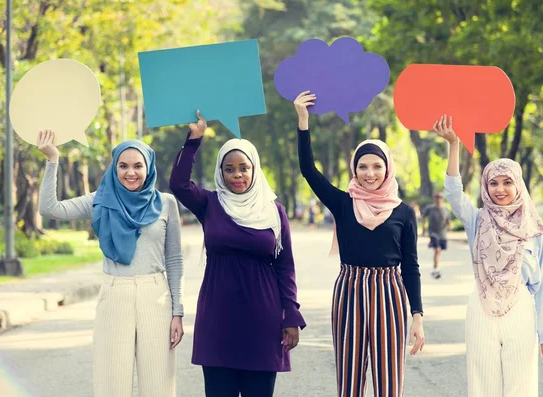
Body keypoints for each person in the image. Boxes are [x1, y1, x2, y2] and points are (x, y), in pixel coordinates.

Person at [294, 91, 425, 397]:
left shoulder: (403, 212)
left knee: (389, 380)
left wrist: (416, 316)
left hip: (389, 293)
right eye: (363, 166)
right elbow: (309, 171)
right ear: (355, 168)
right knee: (349, 378)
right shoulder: (342, 202)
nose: (370, 173)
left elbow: (411, 267)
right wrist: (303, 121)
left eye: (377, 166)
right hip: (349, 289)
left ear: (387, 169)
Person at [37, 130, 184, 397]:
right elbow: (50, 209)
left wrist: (178, 311)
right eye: (123, 165)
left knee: (159, 385)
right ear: (114, 167)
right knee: (111, 383)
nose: (131, 172)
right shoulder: (99, 199)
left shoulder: (166, 203)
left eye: (138, 166)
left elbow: (174, 259)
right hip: (115, 293)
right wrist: (52, 160)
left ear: (148, 167)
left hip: (156, 296)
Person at [169, 111, 306, 397]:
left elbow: (285, 267)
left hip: (263, 318)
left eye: (243, 168)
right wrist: (194, 139)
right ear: (221, 172)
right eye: (228, 169)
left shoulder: (273, 211)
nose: (237, 175)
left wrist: (291, 315)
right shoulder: (210, 204)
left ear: (255, 169)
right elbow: (179, 185)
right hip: (218, 317)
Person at [434, 114, 543, 397]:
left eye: (507, 182)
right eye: (493, 183)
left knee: (521, 387)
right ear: (485, 188)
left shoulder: (533, 229)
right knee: (482, 386)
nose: (500, 189)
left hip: (521, 312)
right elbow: (454, 193)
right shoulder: (477, 220)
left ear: (519, 186)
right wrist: (454, 145)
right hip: (481, 309)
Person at [422, 192, 451, 279]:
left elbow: (448, 220)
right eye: (436, 197)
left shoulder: (445, 209)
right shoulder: (430, 208)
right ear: (434, 199)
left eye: (440, 197)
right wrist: (424, 227)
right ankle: (436, 269)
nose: (438, 199)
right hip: (432, 232)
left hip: (442, 233)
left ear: (442, 199)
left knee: (438, 252)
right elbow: (423, 216)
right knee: (437, 250)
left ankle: (435, 267)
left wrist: (450, 226)